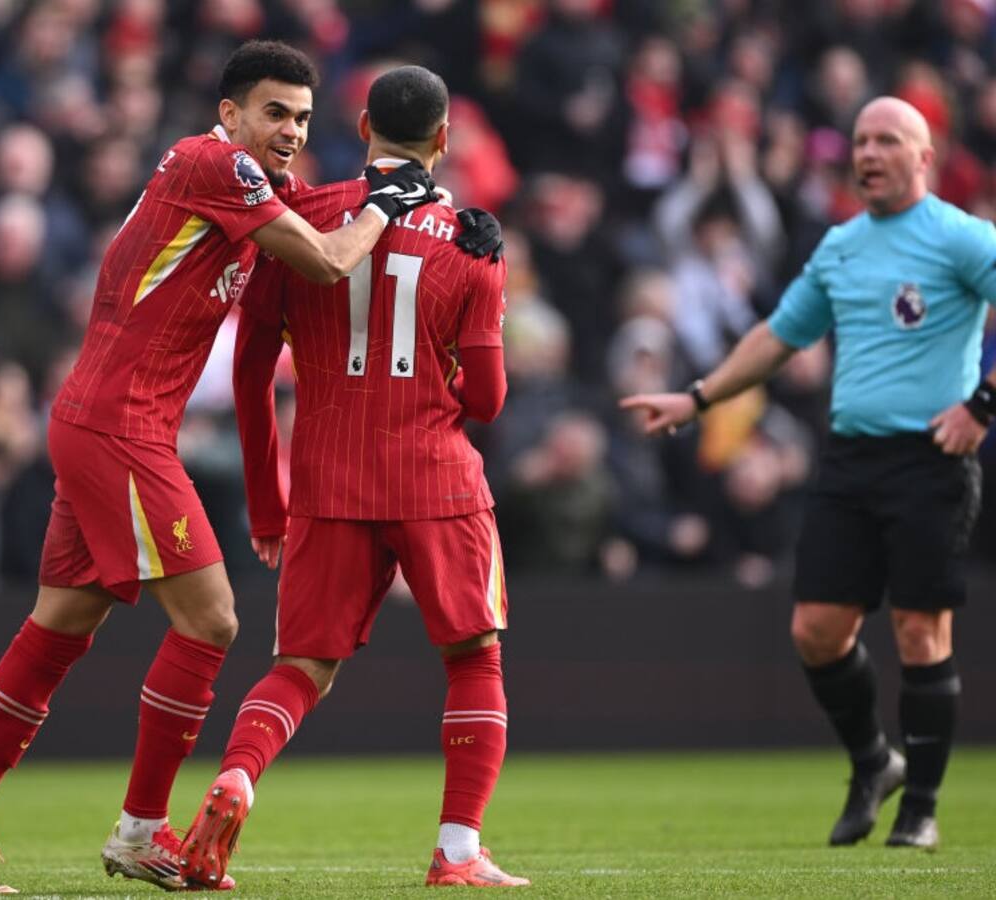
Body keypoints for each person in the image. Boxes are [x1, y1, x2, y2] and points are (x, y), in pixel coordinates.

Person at [0, 40, 446, 895]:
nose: (291, 131)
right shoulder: (212, 163)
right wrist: (391, 206)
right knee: (213, 623)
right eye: (274, 112)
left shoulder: (238, 183)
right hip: (124, 428)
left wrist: (433, 210)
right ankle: (141, 830)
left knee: (59, 630)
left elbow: (329, 205)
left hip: (100, 422)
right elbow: (331, 254)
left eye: (303, 118)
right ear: (229, 112)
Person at [178, 65, 529, 890]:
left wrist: (270, 503)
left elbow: (252, 370)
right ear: (444, 140)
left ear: (364, 123)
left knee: (300, 668)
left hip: (328, 482)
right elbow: (488, 400)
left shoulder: (298, 216)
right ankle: (456, 853)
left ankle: (233, 781)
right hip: (435, 477)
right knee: (474, 658)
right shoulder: (475, 241)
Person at [621, 96, 996, 850]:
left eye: (888, 140)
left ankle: (920, 810)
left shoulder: (962, 238)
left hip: (931, 458)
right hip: (851, 458)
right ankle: (873, 762)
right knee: (816, 632)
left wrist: (982, 405)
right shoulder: (841, 247)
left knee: (922, 632)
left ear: (924, 156)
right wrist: (697, 396)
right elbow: (779, 335)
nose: (869, 153)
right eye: (860, 140)